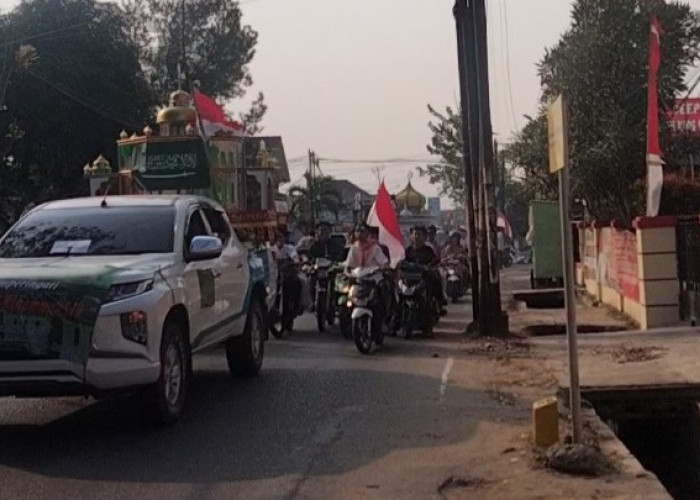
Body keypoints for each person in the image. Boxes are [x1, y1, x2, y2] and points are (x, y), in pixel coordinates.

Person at [404, 225, 446, 315]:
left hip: (424, 277)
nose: (416, 237)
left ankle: (439, 303)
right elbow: (402, 262)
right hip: (410, 279)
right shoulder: (408, 250)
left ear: (424, 236)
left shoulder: (428, 250)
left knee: (436, 277)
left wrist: (430, 266)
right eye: (415, 234)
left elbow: (435, 261)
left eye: (419, 234)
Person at [270, 231, 306, 334]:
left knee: (300, 283)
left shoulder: (290, 248)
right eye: (278, 238)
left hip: (289, 276)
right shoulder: (271, 250)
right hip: (275, 278)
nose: (280, 240)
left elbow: (295, 259)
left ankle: (296, 306)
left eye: (282, 238)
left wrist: (294, 262)